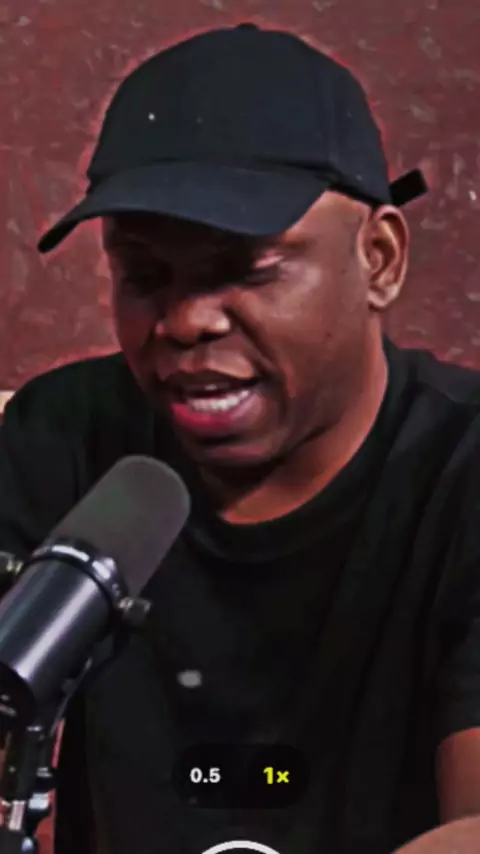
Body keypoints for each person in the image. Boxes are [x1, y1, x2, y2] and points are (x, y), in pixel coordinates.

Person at [0, 22, 479, 854]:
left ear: (379, 259)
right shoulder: (60, 438)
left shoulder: (462, 473)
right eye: (145, 275)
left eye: (246, 267)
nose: (187, 320)